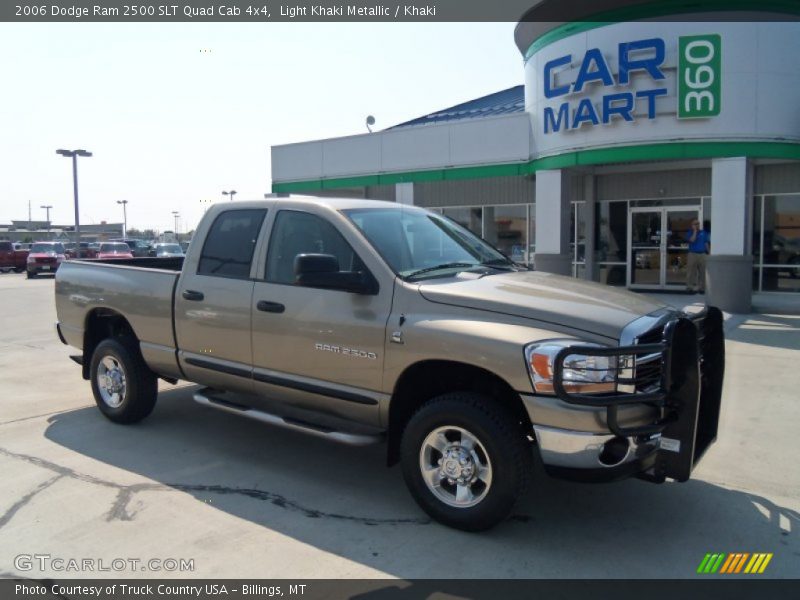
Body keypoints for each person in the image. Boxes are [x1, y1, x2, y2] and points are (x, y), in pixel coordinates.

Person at [685, 218, 710, 293]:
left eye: (698, 223)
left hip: (702, 254)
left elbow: (706, 243)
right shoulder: (689, 232)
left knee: (703, 272)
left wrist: (709, 253)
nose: (697, 225)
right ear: (692, 225)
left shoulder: (703, 232)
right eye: (695, 224)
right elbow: (692, 240)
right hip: (692, 254)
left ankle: (702, 288)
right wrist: (695, 231)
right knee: (691, 272)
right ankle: (690, 287)